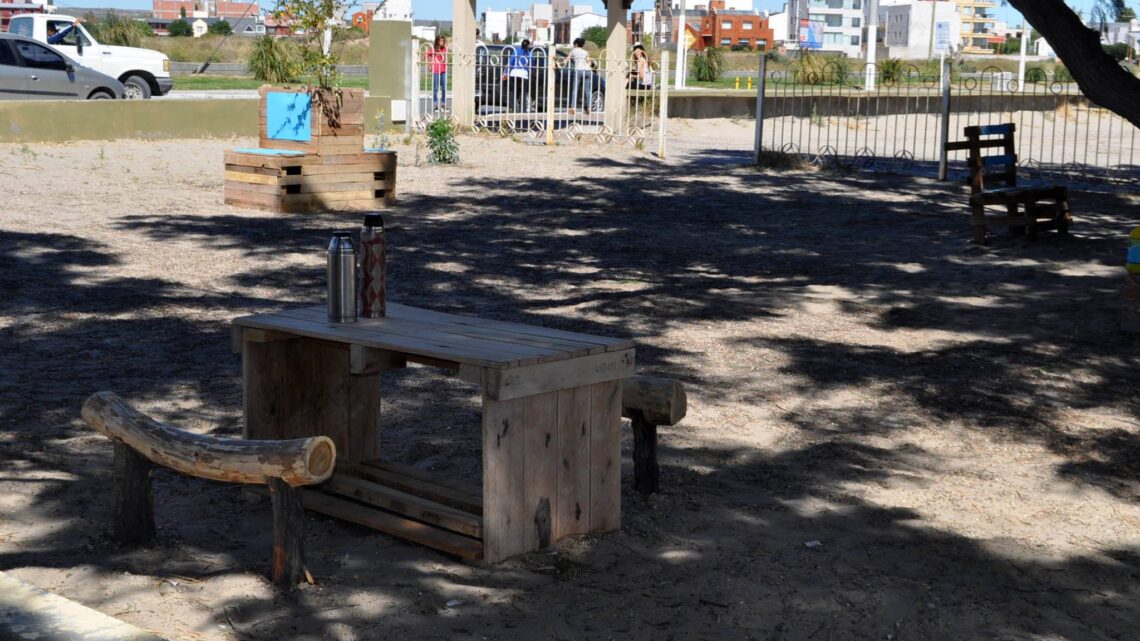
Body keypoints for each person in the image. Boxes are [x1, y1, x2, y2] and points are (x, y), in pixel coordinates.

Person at [505, 39, 532, 113]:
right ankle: (522, 110)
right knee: (523, 93)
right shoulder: (529, 54)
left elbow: (511, 62)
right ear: (528, 46)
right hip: (524, 75)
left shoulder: (516, 51)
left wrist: (506, 72)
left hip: (514, 73)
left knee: (513, 93)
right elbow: (531, 65)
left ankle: (512, 109)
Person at [567, 37, 592, 115]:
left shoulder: (573, 51)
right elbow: (589, 62)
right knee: (587, 91)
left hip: (578, 70)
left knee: (575, 90)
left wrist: (558, 62)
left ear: (576, 44)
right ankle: (589, 108)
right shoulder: (586, 52)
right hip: (587, 71)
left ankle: (573, 108)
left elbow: (566, 60)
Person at [426, 35, 448, 112]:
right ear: (437, 41)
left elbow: (445, 57)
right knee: (435, 88)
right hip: (435, 70)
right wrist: (429, 64)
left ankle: (443, 105)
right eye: (441, 41)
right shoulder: (433, 49)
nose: (442, 42)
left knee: (444, 88)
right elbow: (428, 55)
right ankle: (435, 105)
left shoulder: (444, 49)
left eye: (443, 41)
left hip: (443, 70)